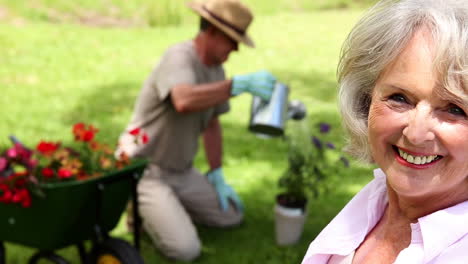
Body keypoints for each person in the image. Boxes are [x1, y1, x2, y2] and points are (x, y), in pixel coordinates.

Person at [302, 0, 468, 263]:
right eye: (400, 98)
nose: (416, 133)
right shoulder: (376, 200)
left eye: (455, 109)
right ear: (366, 99)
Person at [116, 0, 277, 261]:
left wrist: (217, 173)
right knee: (186, 250)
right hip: (145, 169)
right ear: (212, 31)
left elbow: (212, 124)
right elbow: (183, 100)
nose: (236, 48)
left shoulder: (216, 70)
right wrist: (235, 86)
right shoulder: (178, 57)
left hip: (182, 170)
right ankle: (139, 210)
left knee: (231, 216)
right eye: (232, 39)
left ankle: (165, 208)